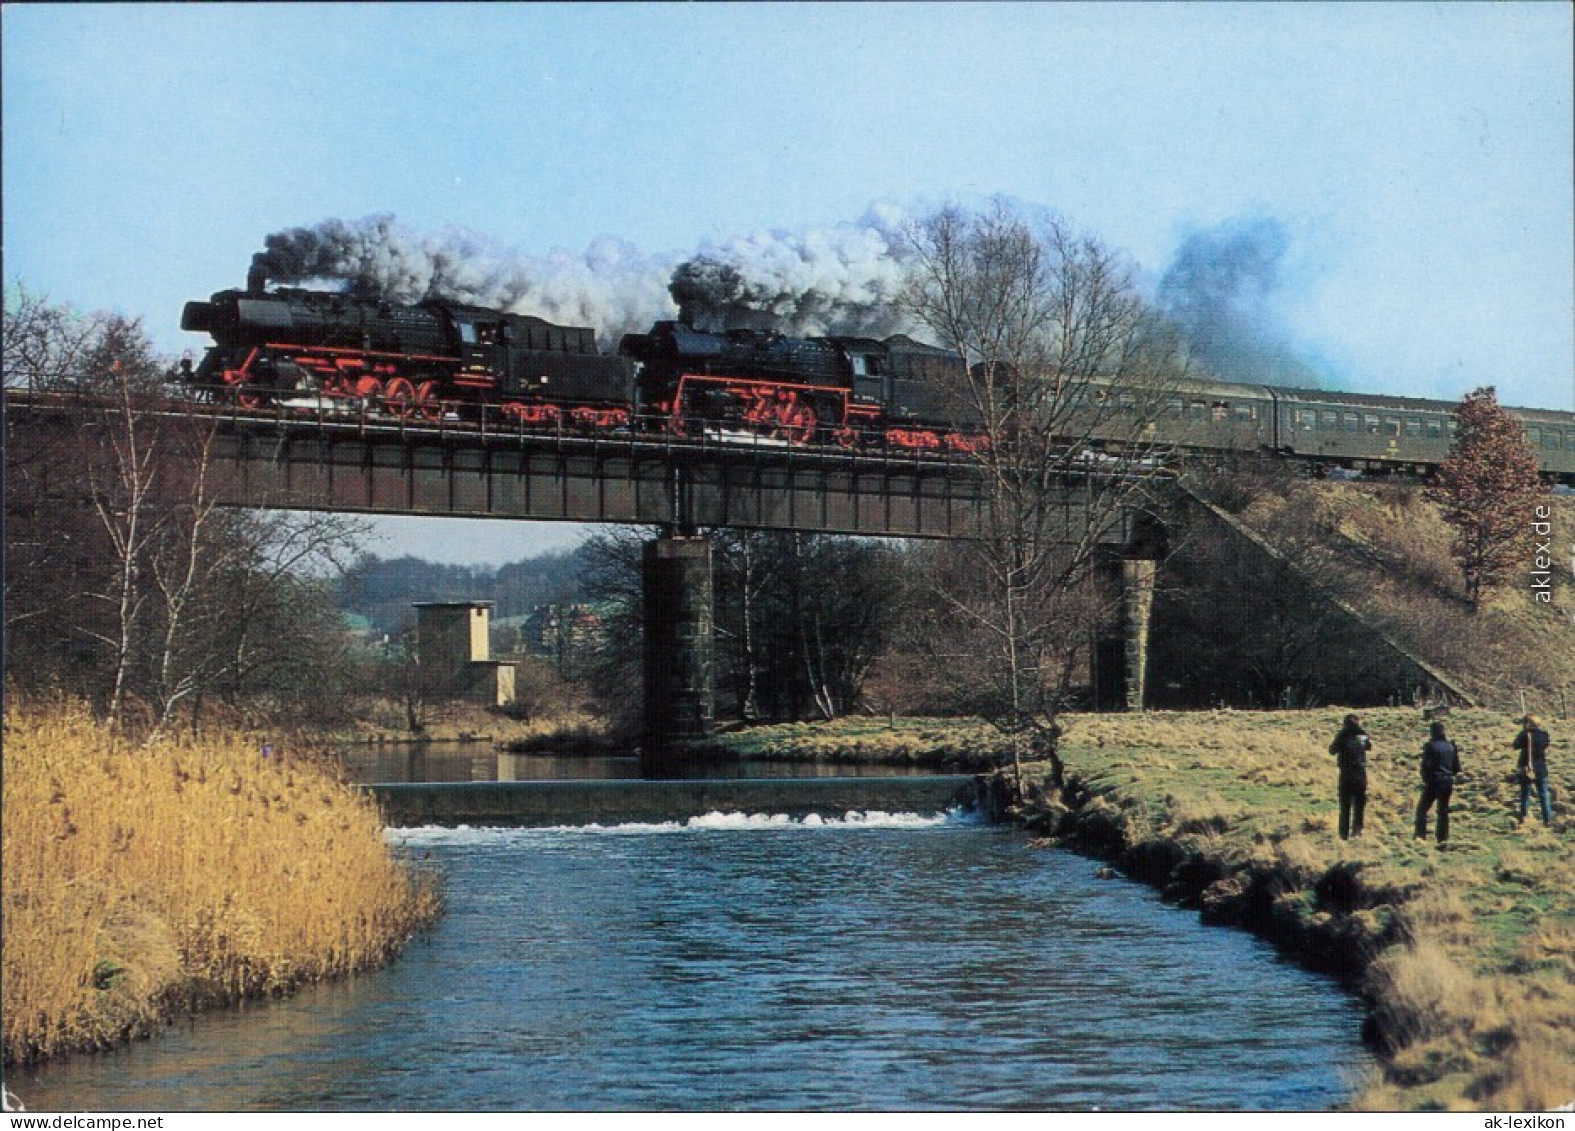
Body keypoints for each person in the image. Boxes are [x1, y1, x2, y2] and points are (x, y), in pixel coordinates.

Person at [1415, 721, 1462, 844]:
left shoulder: (1430, 746)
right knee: (1443, 811)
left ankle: (1420, 836)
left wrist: (1426, 778)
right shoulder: (1452, 746)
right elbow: (1457, 767)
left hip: (1434, 781)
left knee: (1422, 810)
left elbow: (1426, 765)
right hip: (1447, 781)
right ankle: (1442, 839)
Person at [1329, 714, 1371, 839]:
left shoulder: (1342, 736)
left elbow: (1332, 750)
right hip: (1360, 773)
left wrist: (1341, 735)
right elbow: (1368, 746)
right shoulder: (1362, 735)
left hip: (1346, 774)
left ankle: (1343, 834)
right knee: (1359, 804)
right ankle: (1357, 831)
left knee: (1345, 806)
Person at [1512, 715, 1552, 825]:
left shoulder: (1525, 734)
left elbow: (1515, 746)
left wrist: (1523, 733)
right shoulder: (1544, 735)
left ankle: (1523, 818)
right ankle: (1547, 820)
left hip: (1526, 768)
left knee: (1525, 795)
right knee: (1543, 795)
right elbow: (1544, 746)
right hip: (1541, 768)